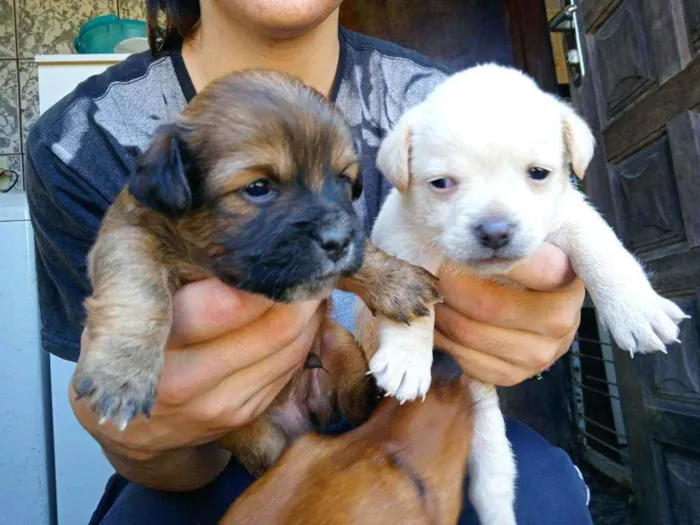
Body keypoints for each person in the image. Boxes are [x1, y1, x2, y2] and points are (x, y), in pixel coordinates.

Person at [25, 1, 592, 523]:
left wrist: (519, 328)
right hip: (217, 453)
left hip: (393, 407)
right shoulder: (81, 142)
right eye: (258, 188)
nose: (329, 220)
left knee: (542, 500)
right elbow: (129, 266)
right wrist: (144, 443)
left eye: (346, 183)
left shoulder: (439, 111)